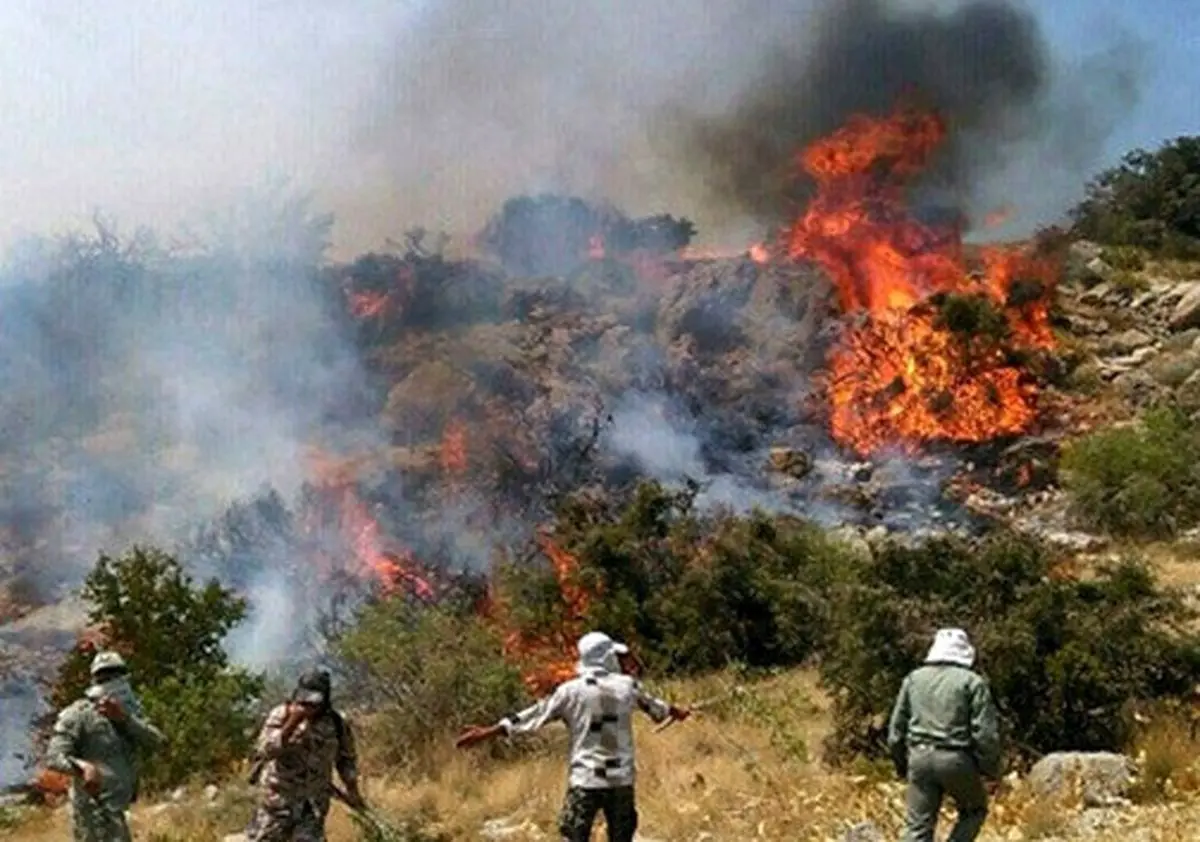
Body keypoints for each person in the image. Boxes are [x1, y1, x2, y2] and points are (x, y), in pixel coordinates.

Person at [456, 631, 689, 842]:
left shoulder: (570, 691)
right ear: (607, 657)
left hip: (585, 779)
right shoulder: (627, 686)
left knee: (574, 836)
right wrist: (676, 712)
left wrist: (490, 731)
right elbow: (658, 708)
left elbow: (533, 716)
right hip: (620, 780)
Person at [887, 628, 1001, 842]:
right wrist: (990, 771)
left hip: (919, 757)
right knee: (974, 810)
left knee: (917, 827)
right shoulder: (972, 682)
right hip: (956, 760)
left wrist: (902, 764)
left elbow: (895, 730)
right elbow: (985, 735)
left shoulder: (913, 679)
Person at [45, 651, 166, 842]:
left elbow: (156, 741)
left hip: (118, 808)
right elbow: (54, 756)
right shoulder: (78, 714)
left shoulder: (130, 711)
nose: (112, 681)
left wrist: (124, 719)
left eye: (116, 674)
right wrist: (82, 766)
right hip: (92, 811)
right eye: (105, 676)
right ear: (94, 680)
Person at [244, 668, 364, 842]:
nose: (309, 704)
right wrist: (293, 723)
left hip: (313, 804)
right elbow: (265, 749)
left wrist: (353, 791)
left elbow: (346, 760)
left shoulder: (336, 723)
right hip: (278, 801)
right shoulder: (281, 714)